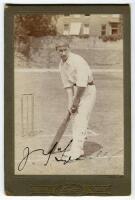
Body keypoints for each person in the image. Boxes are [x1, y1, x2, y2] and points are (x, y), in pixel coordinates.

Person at [56, 40, 96, 161]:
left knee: (80, 120)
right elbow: (68, 87)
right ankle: (77, 149)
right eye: (60, 51)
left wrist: (76, 101)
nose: (63, 53)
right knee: (75, 120)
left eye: (65, 50)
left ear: (69, 48)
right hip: (76, 90)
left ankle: (77, 152)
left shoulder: (77, 61)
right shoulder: (61, 65)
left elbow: (82, 85)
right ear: (57, 51)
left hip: (87, 91)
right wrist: (70, 103)